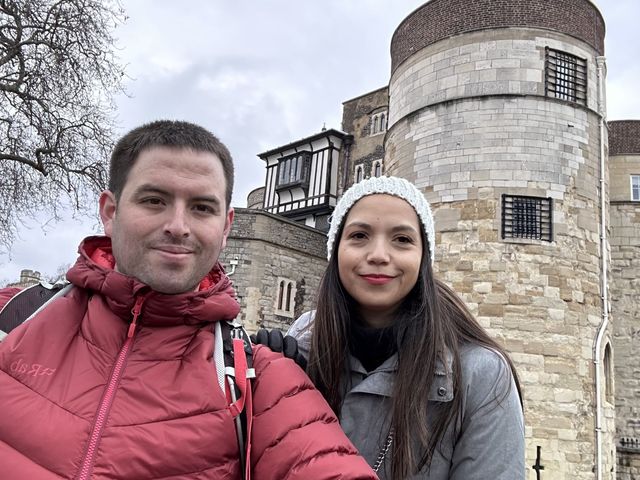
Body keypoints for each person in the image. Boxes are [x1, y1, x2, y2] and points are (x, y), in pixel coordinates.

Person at [0, 120, 377, 479]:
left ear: (226, 227)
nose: (178, 227)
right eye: (153, 200)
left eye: (201, 208)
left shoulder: (259, 380)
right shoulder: (13, 318)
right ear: (110, 212)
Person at [288, 176, 525, 480]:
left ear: (423, 257)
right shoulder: (302, 342)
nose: (378, 255)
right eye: (359, 235)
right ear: (336, 251)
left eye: (402, 239)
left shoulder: (482, 374)